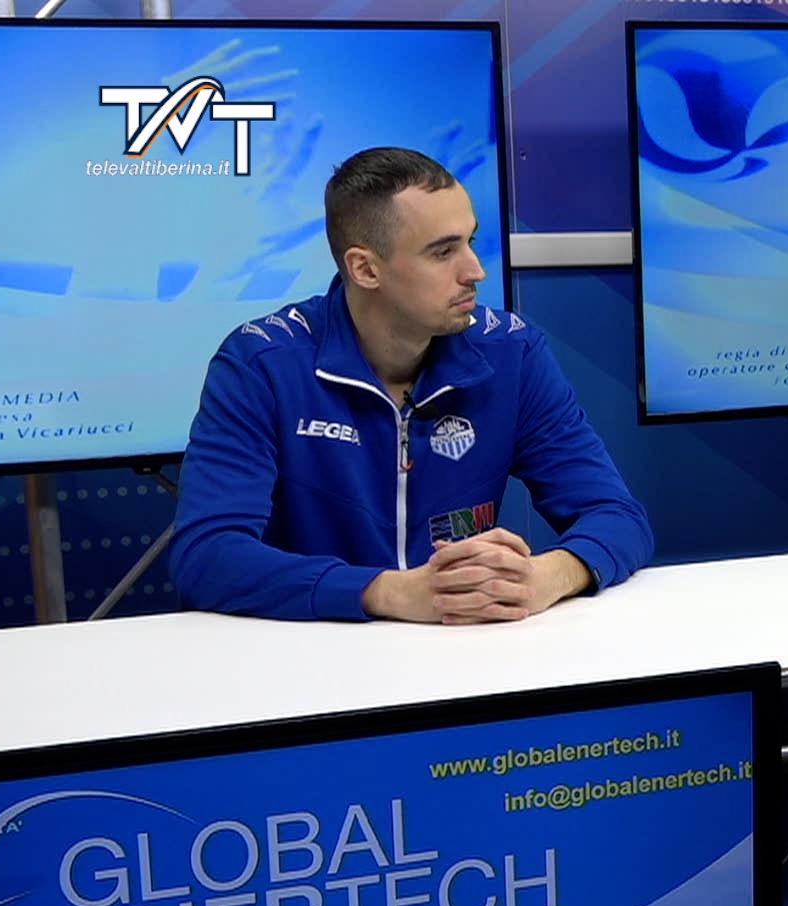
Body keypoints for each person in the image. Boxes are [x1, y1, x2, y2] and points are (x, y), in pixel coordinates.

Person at [169, 147, 653, 622]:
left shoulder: (513, 353)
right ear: (365, 269)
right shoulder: (261, 364)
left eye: (470, 241)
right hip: (310, 649)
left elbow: (618, 516)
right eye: (443, 252)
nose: (475, 271)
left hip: (462, 647)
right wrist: (385, 592)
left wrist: (546, 576)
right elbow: (208, 555)